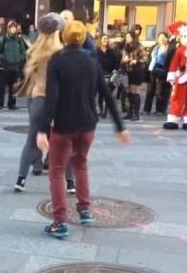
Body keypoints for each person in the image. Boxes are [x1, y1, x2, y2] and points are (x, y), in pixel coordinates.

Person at [36, 20, 130, 238]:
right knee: (81, 164)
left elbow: (51, 99)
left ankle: (59, 222)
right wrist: (120, 126)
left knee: (57, 171)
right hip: (88, 124)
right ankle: (84, 209)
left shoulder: (57, 61)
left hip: (63, 124)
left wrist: (42, 130)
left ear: (64, 37)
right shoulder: (92, 62)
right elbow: (106, 95)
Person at [14, 13, 75, 192]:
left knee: (31, 140)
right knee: (65, 141)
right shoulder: (61, 52)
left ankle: (20, 179)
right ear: (57, 31)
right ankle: (70, 182)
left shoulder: (34, 51)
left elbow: (31, 77)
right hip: (58, 100)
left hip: (36, 98)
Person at [0, 21, 27, 110]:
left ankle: (12, 104)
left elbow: (23, 52)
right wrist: (3, 57)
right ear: (8, 28)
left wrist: (19, 58)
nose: (13, 29)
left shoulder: (19, 40)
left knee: (14, 88)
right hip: (3, 67)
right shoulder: (3, 39)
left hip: (15, 67)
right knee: (2, 87)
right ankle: (0, 104)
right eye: (11, 27)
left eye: (14, 27)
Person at [120, 30, 147, 121]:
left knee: (135, 91)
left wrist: (136, 61)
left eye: (128, 37)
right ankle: (129, 112)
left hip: (136, 71)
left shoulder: (139, 46)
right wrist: (124, 60)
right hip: (127, 71)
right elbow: (122, 60)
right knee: (128, 92)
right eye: (126, 37)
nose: (127, 39)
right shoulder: (126, 47)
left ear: (133, 37)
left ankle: (136, 114)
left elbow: (145, 58)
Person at [144, 32, 170, 116]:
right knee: (150, 91)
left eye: (163, 37)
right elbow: (149, 59)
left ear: (167, 38)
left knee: (159, 91)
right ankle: (146, 109)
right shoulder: (155, 47)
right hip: (152, 69)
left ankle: (159, 110)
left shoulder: (169, 48)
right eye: (160, 37)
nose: (161, 39)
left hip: (162, 70)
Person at [96, 34, 120, 118]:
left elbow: (116, 64)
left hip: (109, 74)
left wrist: (115, 71)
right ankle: (100, 110)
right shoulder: (96, 51)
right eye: (103, 39)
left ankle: (105, 112)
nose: (105, 40)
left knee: (107, 92)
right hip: (99, 74)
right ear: (100, 40)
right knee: (100, 94)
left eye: (106, 39)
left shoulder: (111, 51)